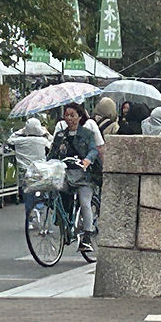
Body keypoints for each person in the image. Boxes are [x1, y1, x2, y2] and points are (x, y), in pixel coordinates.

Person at [48, 103, 101, 252]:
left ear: (79, 116)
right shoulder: (60, 135)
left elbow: (93, 149)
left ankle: (87, 236)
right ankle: (64, 225)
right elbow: (53, 153)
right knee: (56, 194)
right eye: (67, 115)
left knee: (85, 203)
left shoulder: (87, 134)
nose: (69, 118)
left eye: (73, 115)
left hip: (84, 175)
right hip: (66, 174)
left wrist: (87, 160)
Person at [7, 118, 51, 218]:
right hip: (40, 170)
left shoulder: (18, 141)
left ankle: (30, 216)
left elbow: (9, 140)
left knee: (28, 194)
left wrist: (21, 131)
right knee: (44, 190)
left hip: (25, 172)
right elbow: (52, 144)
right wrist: (46, 132)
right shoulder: (43, 141)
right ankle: (41, 210)